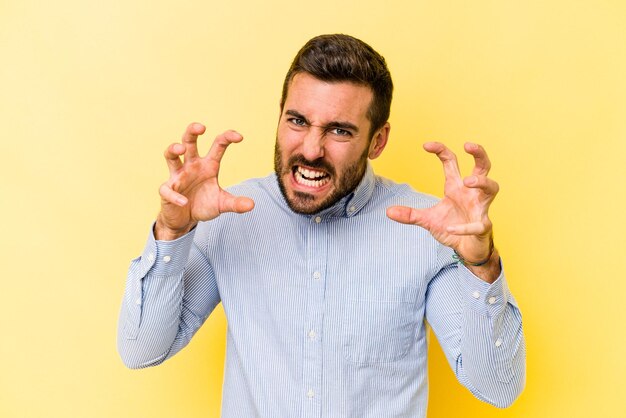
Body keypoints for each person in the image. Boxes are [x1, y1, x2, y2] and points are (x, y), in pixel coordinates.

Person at [117, 34, 525, 417]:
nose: (311, 150)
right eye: (297, 121)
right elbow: (141, 349)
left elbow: (498, 387)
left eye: (339, 130)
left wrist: (481, 265)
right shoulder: (225, 219)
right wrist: (172, 234)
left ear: (378, 141)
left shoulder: (429, 230)